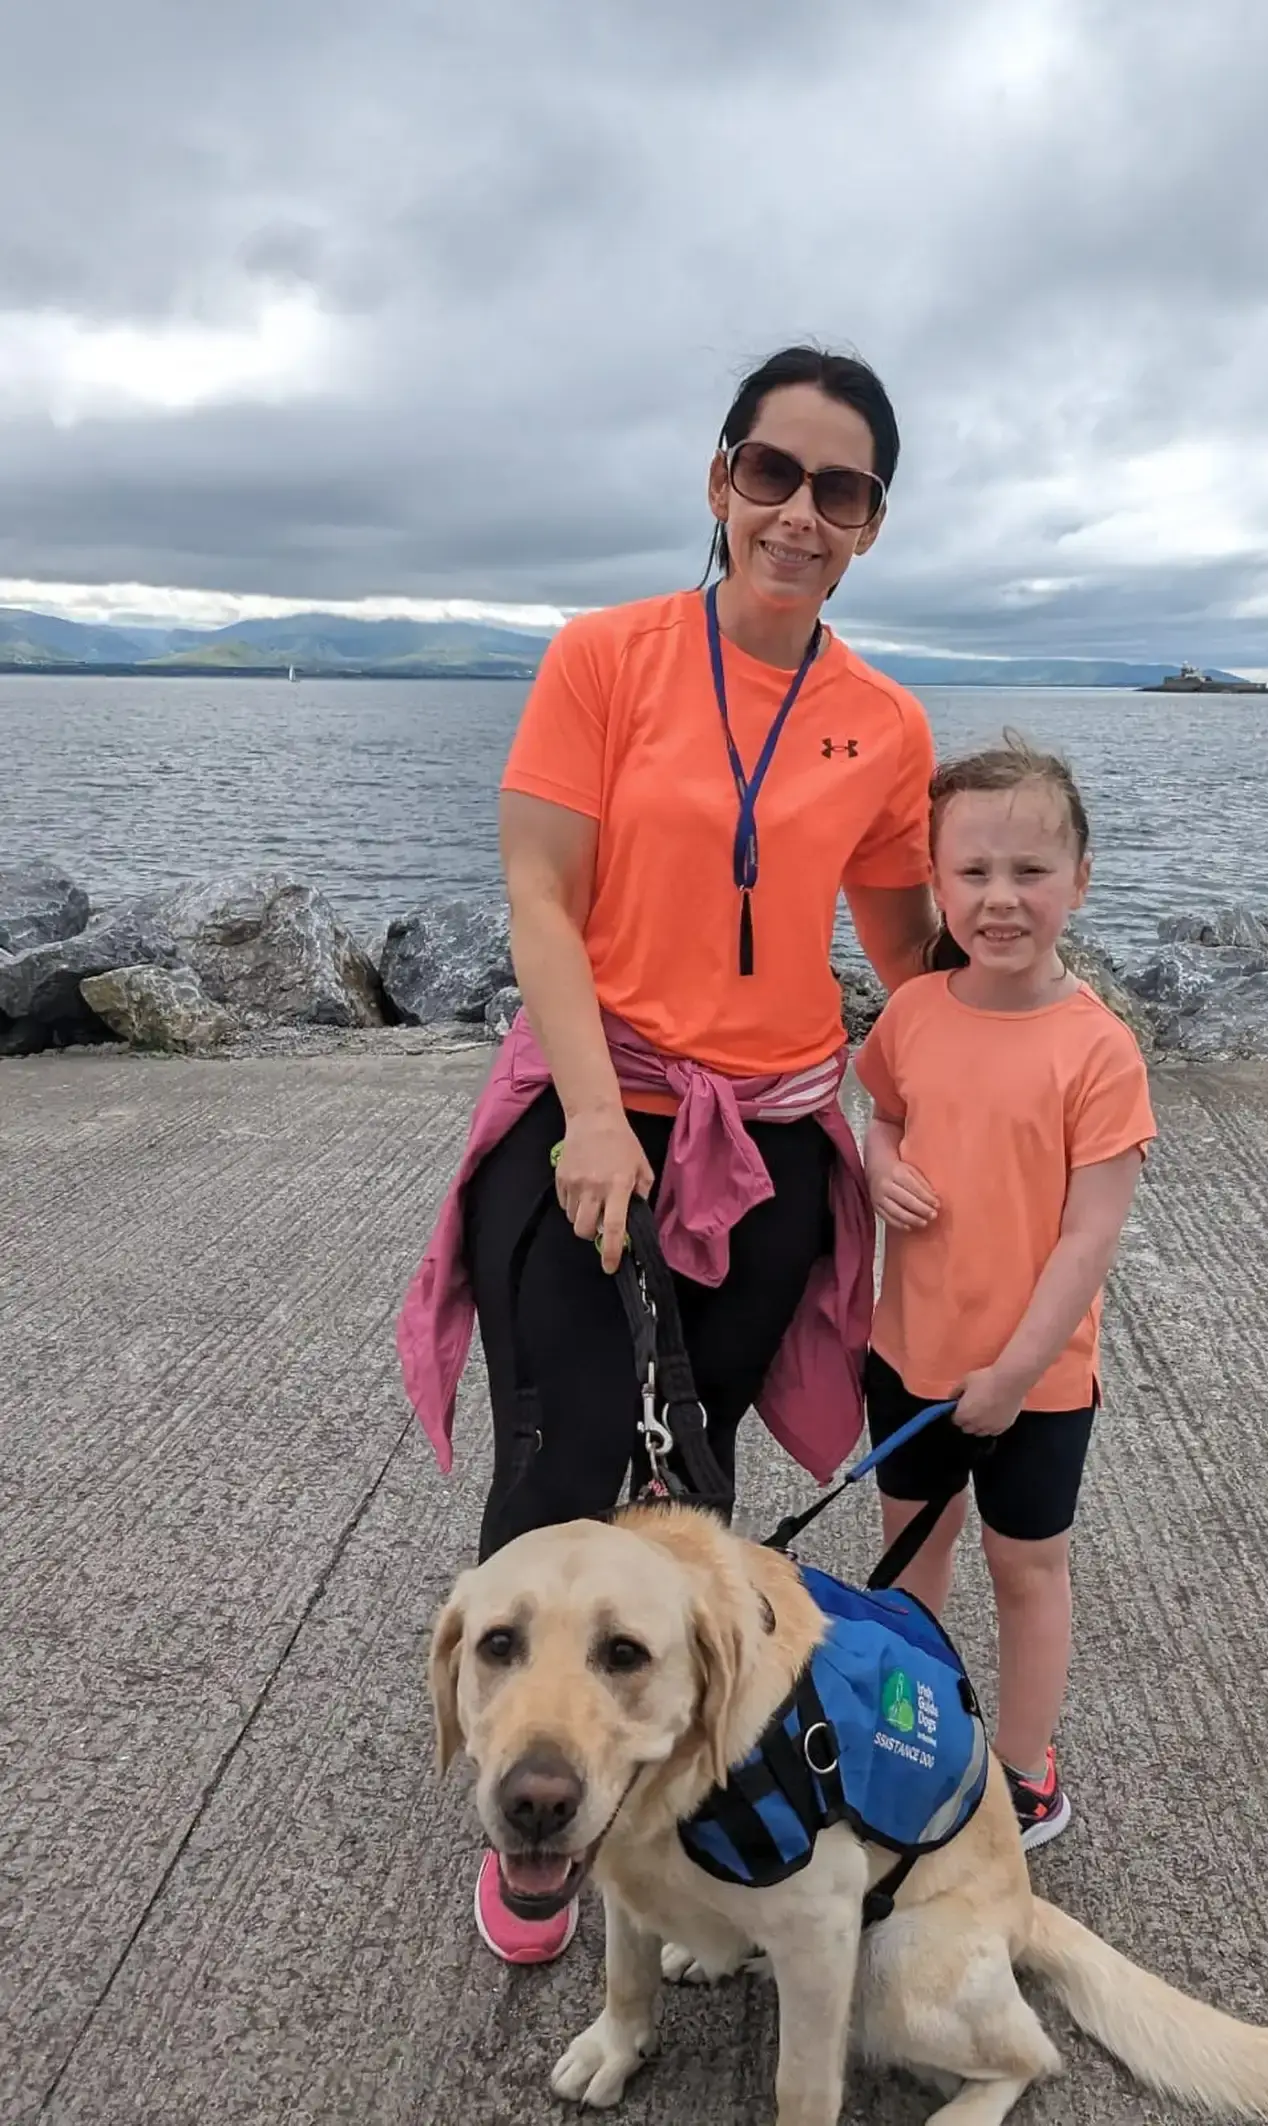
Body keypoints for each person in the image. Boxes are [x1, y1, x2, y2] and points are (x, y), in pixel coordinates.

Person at [396, 345, 942, 1963]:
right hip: (598, 1098)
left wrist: (1023, 1066)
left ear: (870, 524)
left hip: (769, 1138)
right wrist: (583, 1116)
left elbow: (907, 951)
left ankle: (654, 1778)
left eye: (835, 491)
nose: (796, 511)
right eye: (770, 473)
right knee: (565, 1470)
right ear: (719, 481)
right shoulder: (608, 657)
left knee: (689, 1491)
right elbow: (541, 898)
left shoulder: (885, 724)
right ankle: (526, 1796)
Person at [855, 736, 1156, 1851]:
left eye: (1030, 871)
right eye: (972, 870)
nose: (999, 898)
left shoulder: (1098, 1050)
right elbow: (881, 1110)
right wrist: (877, 1161)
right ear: (933, 880)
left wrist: (1016, 1372)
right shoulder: (914, 1012)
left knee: (1026, 1566)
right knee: (907, 1572)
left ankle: (1025, 1768)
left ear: (1079, 879)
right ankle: (916, 1747)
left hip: (1034, 1383)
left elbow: (1089, 1235)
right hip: (910, 1361)